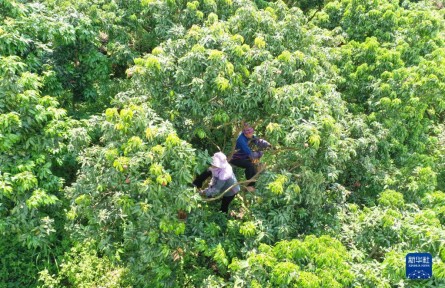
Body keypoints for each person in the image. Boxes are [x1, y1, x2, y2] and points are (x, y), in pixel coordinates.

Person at [229, 123, 271, 191]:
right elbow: (251, 155)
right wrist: (260, 153)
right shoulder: (241, 140)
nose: (252, 134)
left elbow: (257, 140)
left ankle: (254, 184)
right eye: (250, 133)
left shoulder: (249, 136)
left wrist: (268, 145)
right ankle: (249, 186)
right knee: (249, 165)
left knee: (255, 164)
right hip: (236, 158)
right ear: (246, 134)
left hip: (244, 156)